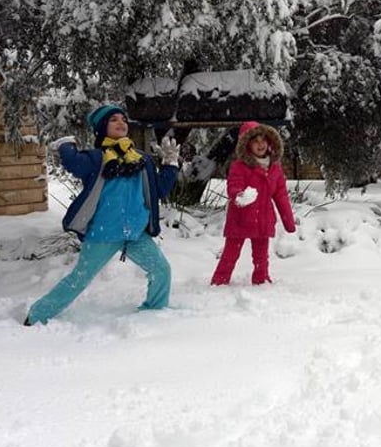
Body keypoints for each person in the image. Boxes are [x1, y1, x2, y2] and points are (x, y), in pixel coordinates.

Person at [26, 104, 180, 325]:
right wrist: (66, 145)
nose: (121, 123)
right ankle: (37, 315)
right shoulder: (96, 158)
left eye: (123, 119)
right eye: (113, 120)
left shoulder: (141, 159)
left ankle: (155, 312)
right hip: (103, 234)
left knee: (161, 269)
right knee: (79, 279)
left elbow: (159, 190)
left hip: (136, 233)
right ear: (101, 128)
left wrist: (170, 165)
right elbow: (74, 164)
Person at [210, 121, 296, 286]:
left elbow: (281, 195)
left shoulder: (275, 168)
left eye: (263, 140)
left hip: (263, 219)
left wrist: (288, 222)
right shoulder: (239, 166)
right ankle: (219, 281)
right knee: (231, 253)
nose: (260, 144)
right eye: (255, 141)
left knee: (261, 256)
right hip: (240, 219)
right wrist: (239, 197)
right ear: (247, 144)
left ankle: (261, 280)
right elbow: (233, 186)